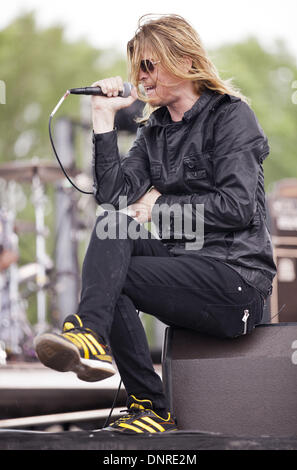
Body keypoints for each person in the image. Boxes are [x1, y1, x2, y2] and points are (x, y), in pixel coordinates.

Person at [34, 14, 276, 434]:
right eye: (136, 70)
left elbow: (236, 207)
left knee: (118, 263)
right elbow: (114, 197)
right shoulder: (154, 133)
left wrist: (159, 207)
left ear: (182, 59)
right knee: (113, 225)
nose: (141, 78)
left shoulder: (232, 117)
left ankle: (142, 394)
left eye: (149, 66)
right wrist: (102, 117)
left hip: (237, 279)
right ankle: (112, 361)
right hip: (187, 267)